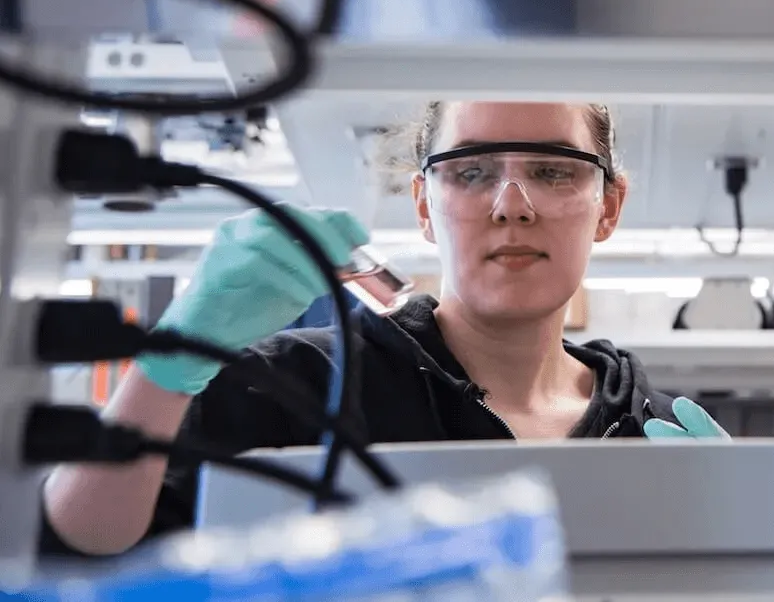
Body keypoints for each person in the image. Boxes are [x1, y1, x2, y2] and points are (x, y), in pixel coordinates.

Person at [41, 100, 728, 558]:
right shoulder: (289, 384)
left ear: (608, 206)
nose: (511, 206)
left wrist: (763, 521)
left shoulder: (662, 434)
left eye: (552, 171)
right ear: (425, 206)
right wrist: (167, 365)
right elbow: (84, 538)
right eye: (472, 172)